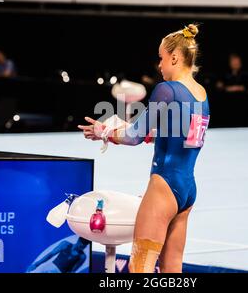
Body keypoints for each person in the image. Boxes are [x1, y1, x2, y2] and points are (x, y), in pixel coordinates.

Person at [78, 24, 210, 273]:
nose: (159, 66)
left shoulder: (166, 90)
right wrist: (152, 136)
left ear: (174, 57)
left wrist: (104, 131)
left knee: (140, 267)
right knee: (172, 269)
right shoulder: (201, 94)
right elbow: (187, 136)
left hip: (164, 187)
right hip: (188, 189)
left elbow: (133, 136)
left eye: (161, 58)